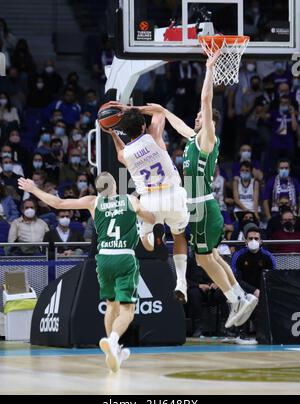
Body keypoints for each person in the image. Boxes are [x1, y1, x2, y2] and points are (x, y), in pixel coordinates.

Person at [152, 51, 258, 328]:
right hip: (200, 207)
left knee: (202, 258)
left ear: (210, 123)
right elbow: (180, 126)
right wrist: (162, 112)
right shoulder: (193, 140)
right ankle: (241, 297)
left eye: (201, 117)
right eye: (198, 118)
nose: (198, 118)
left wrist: (210, 69)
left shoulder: (207, 139)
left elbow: (206, 100)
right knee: (209, 256)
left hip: (202, 206)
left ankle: (236, 298)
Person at [18, 172, 155, 372]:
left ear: (98, 189)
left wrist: (33, 189)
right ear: (115, 186)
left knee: (111, 305)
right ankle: (114, 339)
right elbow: (150, 217)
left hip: (104, 258)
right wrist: (147, 217)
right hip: (124, 256)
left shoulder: (93, 202)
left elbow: (58, 203)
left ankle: (113, 351)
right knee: (127, 310)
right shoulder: (130, 200)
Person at [101, 105, 190, 304]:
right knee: (179, 236)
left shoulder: (126, 154)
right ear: (143, 125)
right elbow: (159, 112)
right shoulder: (154, 137)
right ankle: (181, 282)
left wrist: (113, 133)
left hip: (149, 199)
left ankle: (155, 236)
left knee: (146, 244)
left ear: (124, 130)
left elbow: (119, 153)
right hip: (173, 193)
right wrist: (130, 108)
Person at [231, 224, 276, 343]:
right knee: (243, 299)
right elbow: (235, 280)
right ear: (245, 241)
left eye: (256, 239)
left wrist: (262, 291)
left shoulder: (268, 257)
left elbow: (273, 279)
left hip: (263, 292)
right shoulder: (238, 256)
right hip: (243, 291)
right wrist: (253, 291)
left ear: (261, 241)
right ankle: (241, 333)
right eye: (250, 238)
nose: (253, 241)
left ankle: (263, 332)